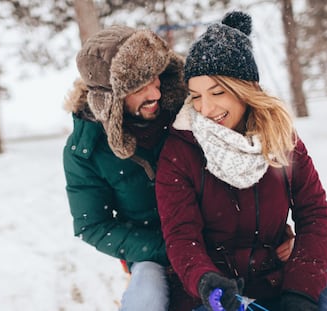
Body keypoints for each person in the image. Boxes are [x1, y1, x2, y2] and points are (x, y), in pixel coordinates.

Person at [155, 11, 327, 311]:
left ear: (244, 90)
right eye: (195, 96)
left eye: (217, 92)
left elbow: (314, 213)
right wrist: (205, 279)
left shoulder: (280, 138)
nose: (205, 108)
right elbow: (182, 237)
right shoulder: (180, 151)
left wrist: (301, 290)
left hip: (280, 279)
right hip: (216, 295)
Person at [62, 25, 187, 311]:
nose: (155, 91)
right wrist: (164, 250)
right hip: (150, 251)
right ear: (111, 98)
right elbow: (92, 224)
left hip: (212, 233)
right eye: (139, 87)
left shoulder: (182, 109)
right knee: (146, 297)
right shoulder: (86, 150)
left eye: (154, 77)